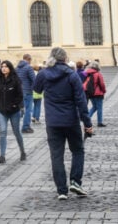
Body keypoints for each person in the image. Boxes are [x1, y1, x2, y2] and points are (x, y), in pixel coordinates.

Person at [33, 47, 93, 200]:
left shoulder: (44, 74)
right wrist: (87, 123)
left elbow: (36, 89)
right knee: (77, 150)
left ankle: (61, 190)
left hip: (53, 121)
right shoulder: (72, 75)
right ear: (65, 58)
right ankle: (75, 181)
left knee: (56, 155)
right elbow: (81, 101)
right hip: (71, 120)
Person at [0, 60, 26, 164]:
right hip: (2, 111)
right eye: (2, 66)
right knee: (3, 132)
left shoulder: (15, 80)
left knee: (16, 132)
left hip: (14, 111)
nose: (3, 68)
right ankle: (2, 155)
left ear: (10, 68)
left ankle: (22, 151)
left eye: (6, 66)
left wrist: (14, 104)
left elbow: (20, 95)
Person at [16, 54, 36, 133]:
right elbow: (34, 80)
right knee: (28, 110)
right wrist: (32, 88)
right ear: (29, 59)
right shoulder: (29, 67)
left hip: (18, 92)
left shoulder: (17, 68)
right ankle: (26, 127)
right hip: (27, 91)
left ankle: (16, 126)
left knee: (18, 110)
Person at [84, 61, 107, 127]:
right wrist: (104, 91)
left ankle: (87, 119)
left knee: (94, 106)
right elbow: (102, 84)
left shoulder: (87, 73)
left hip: (90, 93)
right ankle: (99, 122)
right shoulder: (98, 74)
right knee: (99, 108)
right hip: (98, 93)